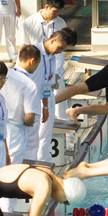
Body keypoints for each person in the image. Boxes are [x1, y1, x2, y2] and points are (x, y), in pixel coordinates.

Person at [28, 27, 78, 162]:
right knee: (32, 139)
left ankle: (44, 163)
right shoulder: (32, 52)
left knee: (45, 136)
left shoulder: (52, 56)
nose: (59, 52)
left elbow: (46, 80)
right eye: (59, 48)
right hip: (31, 102)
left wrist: (54, 79)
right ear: (53, 40)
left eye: (62, 50)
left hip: (46, 100)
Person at [22, 0, 69, 122]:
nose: (56, 14)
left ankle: (62, 120)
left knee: (58, 88)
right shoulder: (29, 22)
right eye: (54, 11)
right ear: (46, 7)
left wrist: (58, 72)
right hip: (36, 62)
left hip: (55, 60)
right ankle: (41, 116)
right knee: (38, 90)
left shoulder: (60, 23)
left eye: (59, 11)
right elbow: (24, 46)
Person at [0, 45, 40, 168]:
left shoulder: (5, 75)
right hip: (15, 131)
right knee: (13, 167)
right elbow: (29, 117)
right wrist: (31, 121)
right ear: (32, 61)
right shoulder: (29, 84)